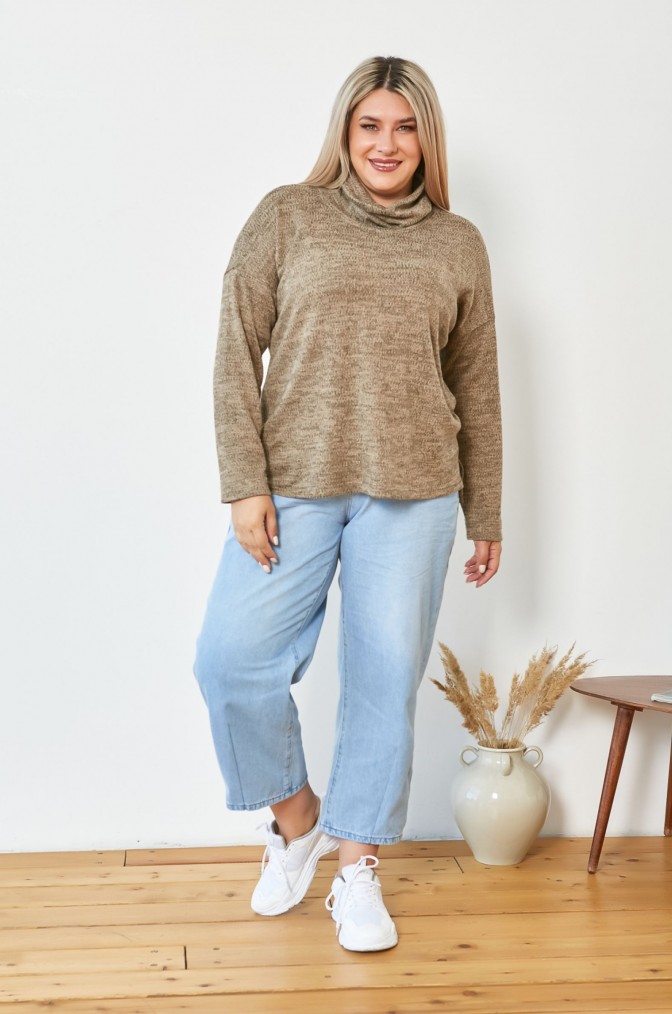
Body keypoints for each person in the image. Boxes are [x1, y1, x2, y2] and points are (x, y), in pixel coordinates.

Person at [193, 54, 503, 953]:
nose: (387, 144)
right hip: (293, 485)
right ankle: (299, 822)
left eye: (406, 128)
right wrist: (244, 482)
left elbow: (478, 386)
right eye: (370, 125)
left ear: (427, 140)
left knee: (382, 684)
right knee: (229, 661)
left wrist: (486, 512)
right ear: (345, 132)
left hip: (416, 495)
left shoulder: (457, 242)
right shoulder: (287, 215)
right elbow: (234, 349)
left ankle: (358, 868)